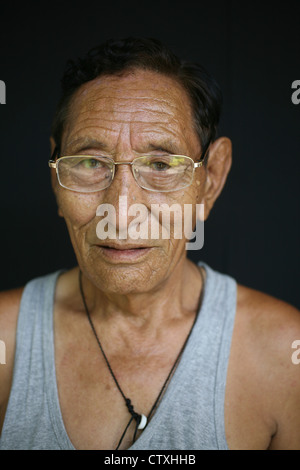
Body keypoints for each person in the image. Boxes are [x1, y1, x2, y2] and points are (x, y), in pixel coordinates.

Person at [0, 37, 299, 451]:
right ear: (55, 176)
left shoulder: (285, 355)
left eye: (160, 165)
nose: (122, 212)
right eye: (90, 163)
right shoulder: (5, 340)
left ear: (210, 179)